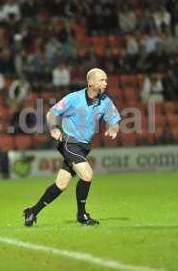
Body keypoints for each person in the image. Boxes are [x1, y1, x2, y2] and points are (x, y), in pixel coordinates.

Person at [23, 68, 121, 227]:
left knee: (61, 184)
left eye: (106, 80)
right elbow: (51, 113)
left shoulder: (105, 101)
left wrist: (114, 129)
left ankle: (32, 211)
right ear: (91, 83)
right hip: (69, 143)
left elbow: (114, 120)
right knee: (87, 175)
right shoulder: (74, 98)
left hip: (84, 147)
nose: (105, 83)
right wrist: (54, 128)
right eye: (102, 80)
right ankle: (81, 214)